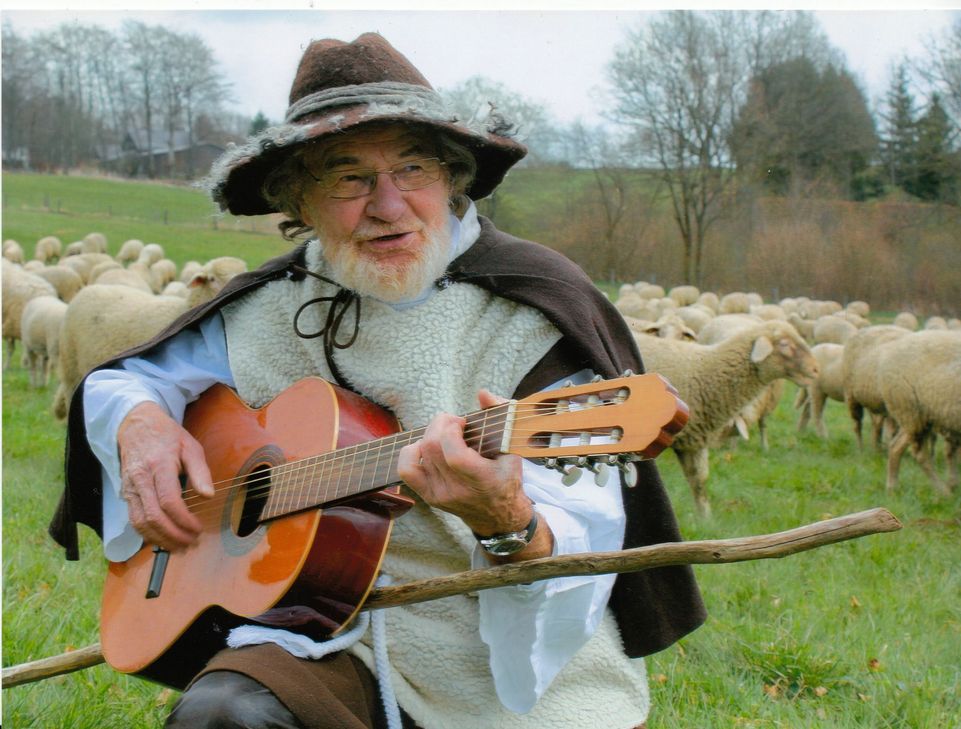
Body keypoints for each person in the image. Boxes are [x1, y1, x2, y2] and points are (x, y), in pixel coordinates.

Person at [50, 33, 705, 729]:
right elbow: (130, 380)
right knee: (221, 716)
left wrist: (506, 521)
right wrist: (140, 422)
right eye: (347, 177)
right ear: (299, 199)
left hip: (499, 660)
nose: (388, 205)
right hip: (322, 631)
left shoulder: (535, 309)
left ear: (452, 177)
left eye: (412, 168)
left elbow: (585, 539)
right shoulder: (268, 303)